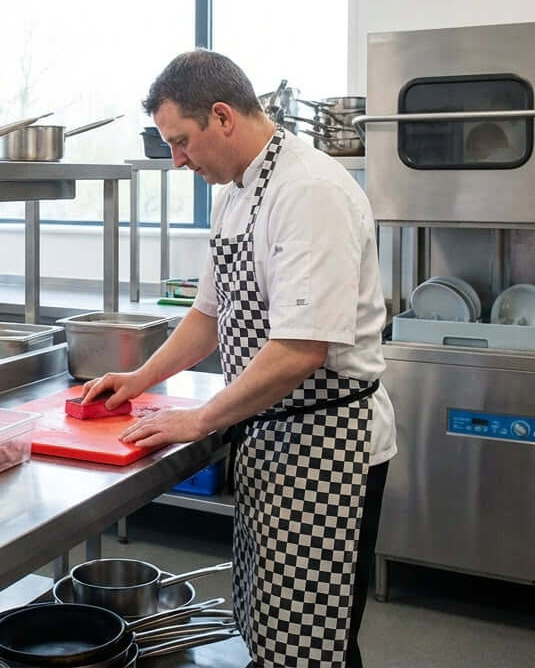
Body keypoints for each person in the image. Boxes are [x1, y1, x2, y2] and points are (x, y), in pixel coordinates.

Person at [82, 49, 395, 668]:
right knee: (269, 626)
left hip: (328, 446)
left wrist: (200, 419)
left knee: (316, 644)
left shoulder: (309, 191)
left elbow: (301, 349)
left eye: (180, 141)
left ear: (222, 117)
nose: (176, 160)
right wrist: (141, 378)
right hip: (272, 437)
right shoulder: (233, 191)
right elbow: (208, 315)